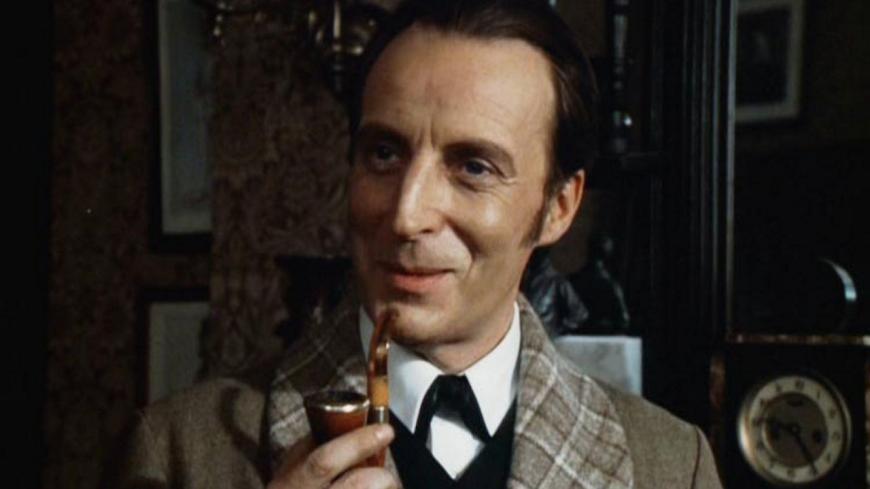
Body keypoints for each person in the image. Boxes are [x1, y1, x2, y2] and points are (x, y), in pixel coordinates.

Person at [110, 1, 724, 488]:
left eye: (474, 167)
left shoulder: (674, 466)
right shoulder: (177, 451)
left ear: (558, 207)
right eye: (384, 153)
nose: (406, 216)